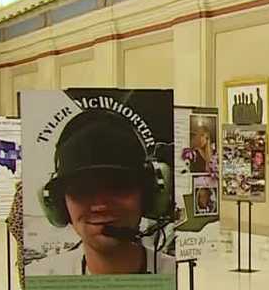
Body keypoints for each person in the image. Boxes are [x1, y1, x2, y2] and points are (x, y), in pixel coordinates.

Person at [32, 109, 177, 276]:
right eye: (82, 190)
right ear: (61, 204)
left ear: (147, 195)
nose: (100, 206)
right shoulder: (42, 277)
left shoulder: (180, 277)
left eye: (117, 185)